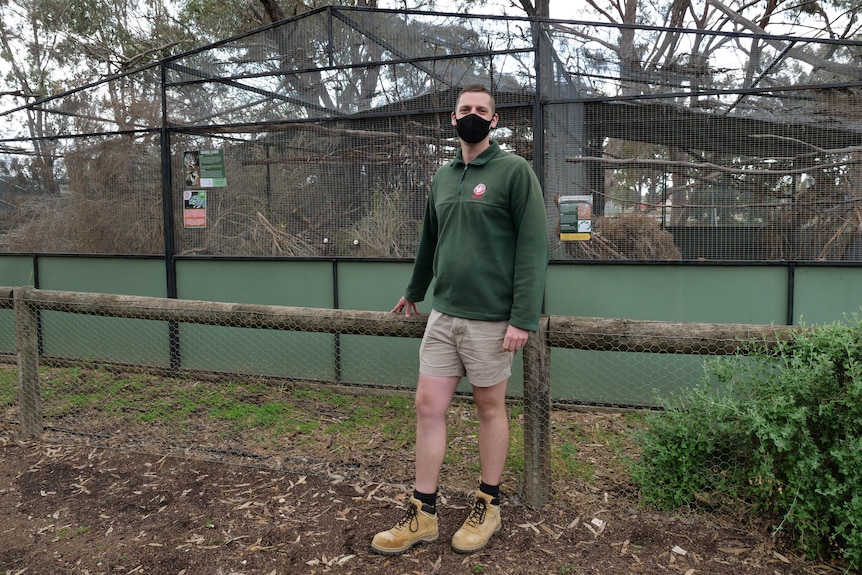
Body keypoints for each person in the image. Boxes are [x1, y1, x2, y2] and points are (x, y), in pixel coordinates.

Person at [370, 84, 549, 555]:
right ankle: (422, 513)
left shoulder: (514, 172)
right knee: (428, 407)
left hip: (493, 320)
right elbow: (430, 240)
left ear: (494, 121)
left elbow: (533, 249)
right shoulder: (442, 177)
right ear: (453, 119)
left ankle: (487, 504)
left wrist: (522, 318)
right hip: (444, 315)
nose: (473, 115)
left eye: (482, 110)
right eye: (465, 109)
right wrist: (414, 291)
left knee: (489, 408)